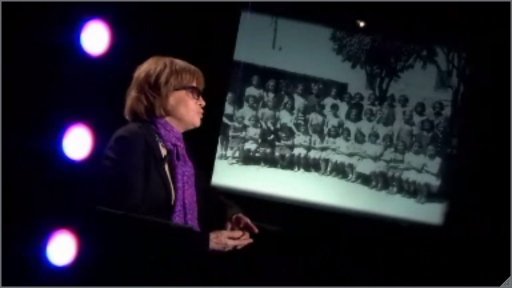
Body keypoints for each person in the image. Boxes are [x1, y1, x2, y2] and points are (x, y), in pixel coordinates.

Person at [96, 56, 259, 284]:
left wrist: (232, 214)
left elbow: (207, 195)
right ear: (163, 91)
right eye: (195, 93)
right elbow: (129, 224)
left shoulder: (181, 152)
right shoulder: (133, 139)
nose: (203, 102)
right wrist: (204, 242)